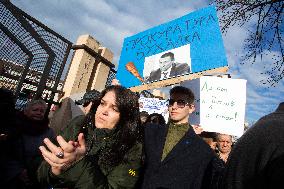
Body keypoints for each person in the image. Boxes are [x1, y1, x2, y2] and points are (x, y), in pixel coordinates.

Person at [37, 85, 143, 189]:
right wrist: (54, 170)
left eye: (115, 109)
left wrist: (78, 163)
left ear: (126, 117)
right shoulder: (78, 124)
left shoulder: (132, 147)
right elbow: (41, 175)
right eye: (102, 104)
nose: (104, 111)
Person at [142, 86, 224, 188]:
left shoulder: (201, 148)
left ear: (191, 108)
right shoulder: (151, 131)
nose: (174, 106)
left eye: (180, 103)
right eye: (171, 102)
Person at [221, 102, 284, 189]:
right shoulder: (276, 131)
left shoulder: (262, 125)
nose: (225, 145)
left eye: (227, 142)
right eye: (222, 141)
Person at [4, 99, 55, 189]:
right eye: (35, 110)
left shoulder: (49, 132)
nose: (39, 113)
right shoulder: (14, 127)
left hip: (37, 176)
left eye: (42, 111)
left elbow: (52, 153)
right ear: (26, 111)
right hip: (12, 175)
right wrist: (18, 171)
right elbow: (5, 152)